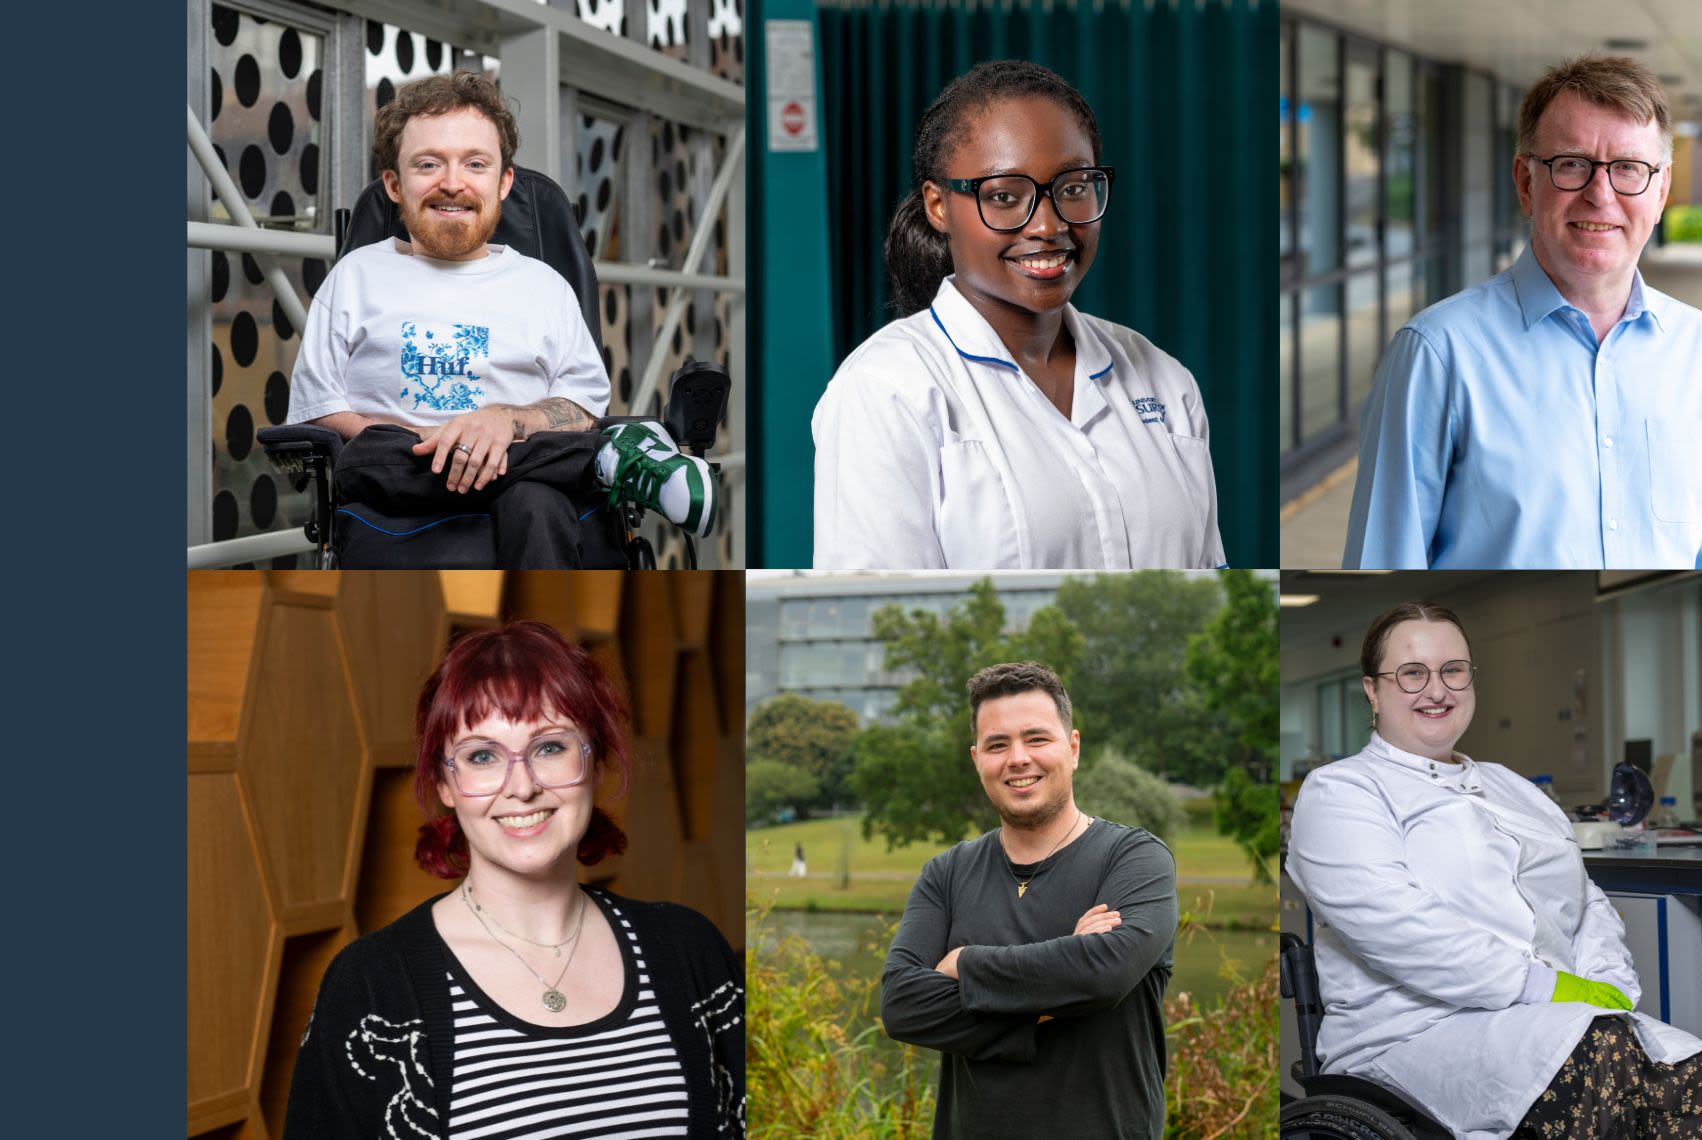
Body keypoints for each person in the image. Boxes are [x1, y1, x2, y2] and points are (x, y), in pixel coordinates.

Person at [1288, 603, 1702, 1139]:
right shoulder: (1342, 790)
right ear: (1372, 689)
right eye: (1412, 673)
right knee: (1600, 1055)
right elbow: (1398, 926)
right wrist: (1544, 987)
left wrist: (1603, 982)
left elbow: (1585, 898)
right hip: (1410, 1032)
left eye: (1453, 670)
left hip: (1545, 1022)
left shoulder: (1511, 786)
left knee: (1685, 1071)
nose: (1437, 690)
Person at [284, 621, 743, 1138]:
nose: (522, 787)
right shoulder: (371, 988)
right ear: (445, 783)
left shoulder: (690, 949)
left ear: (594, 760)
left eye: (550, 747)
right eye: (482, 756)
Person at [1343, 54, 1702, 570]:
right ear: (1524, 182)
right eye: (1572, 164)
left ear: (1662, 189)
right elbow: (1384, 566)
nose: (1600, 195)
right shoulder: (1437, 355)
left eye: (1628, 167)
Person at [287, 73, 716, 567]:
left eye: (475, 163)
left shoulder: (544, 286)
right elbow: (316, 407)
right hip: (400, 477)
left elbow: (583, 405)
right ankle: (607, 460)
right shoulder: (355, 277)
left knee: (538, 498)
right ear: (394, 185)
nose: (452, 182)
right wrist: (437, 439)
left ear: (503, 181)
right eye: (428, 164)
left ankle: (544, 637)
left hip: (532, 489)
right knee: (373, 455)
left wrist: (504, 422)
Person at [812, 61, 1224, 570]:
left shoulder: (1164, 380)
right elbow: (883, 612)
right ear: (939, 206)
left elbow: (1210, 574)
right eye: (1005, 197)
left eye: (1073, 188)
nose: (1049, 226)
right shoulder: (885, 389)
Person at [879, 661, 1179, 1138]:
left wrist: (963, 963)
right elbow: (901, 1004)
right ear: (977, 759)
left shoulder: (1135, 859)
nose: (1018, 758)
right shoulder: (946, 874)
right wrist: (1051, 1000)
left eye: (1037, 739)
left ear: (1073, 748)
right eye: (998, 745)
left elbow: (1103, 974)